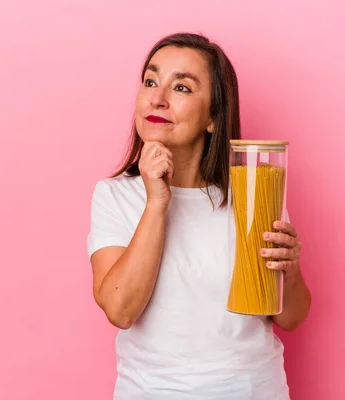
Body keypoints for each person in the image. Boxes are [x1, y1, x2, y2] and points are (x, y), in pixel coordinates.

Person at [86, 32, 311, 400]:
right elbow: (121, 309)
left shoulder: (253, 193)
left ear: (213, 117)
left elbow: (291, 317)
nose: (157, 97)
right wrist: (157, 203)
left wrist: (291, 268)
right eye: (150, 81)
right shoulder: (114, 196)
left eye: (182, 88)